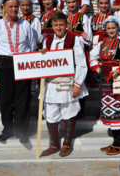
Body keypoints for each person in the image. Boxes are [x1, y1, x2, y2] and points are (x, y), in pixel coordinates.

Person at [0, 0, 36, 143]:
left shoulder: (26, 25)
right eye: (11, 6)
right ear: (4, 8)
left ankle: (21, 131)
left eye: (16, 6)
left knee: (23, 97)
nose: (14, 9)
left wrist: (27, 60)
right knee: (6, 98)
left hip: (22, 63)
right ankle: (7, 129)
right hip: (4, 63)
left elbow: (31, 45)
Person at [39, 11, 88, 157]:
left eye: (61, 24)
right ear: (52, 26)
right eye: (55, 25)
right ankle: (53, 144)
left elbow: (81, 64)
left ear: (67, 25)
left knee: (69, 111)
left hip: (68, 83)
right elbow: (43, 61)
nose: (59, 27)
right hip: (51, 84)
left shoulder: (75, 39)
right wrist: (41, 54)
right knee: (50, 114)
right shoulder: (47, 40)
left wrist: (77, 84)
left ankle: (67, 144)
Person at [90, 16, 120, 155]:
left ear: (118, 29)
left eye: (113, 28)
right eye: (108, 28)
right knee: (110, 108)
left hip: (118, 78)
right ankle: (115, 142)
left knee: (119, 109)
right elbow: (92, 56)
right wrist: (97, 67)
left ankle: (119, 145)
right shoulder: (102, 43)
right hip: (105, 80)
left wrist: (119, 71)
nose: (111, 30)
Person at [64, 0, 93, 118]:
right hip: (65, 53)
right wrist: (78, 34)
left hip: (79, 51)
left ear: (78, 3)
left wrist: (78, 37)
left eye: (73, 2)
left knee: (79, 78)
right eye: (69, 2)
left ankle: (81, 109)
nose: (71, 4)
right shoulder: (63, 17)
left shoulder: (83, 17)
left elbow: (89, 37)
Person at [19, 0, 41, 94]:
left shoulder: (35, 20)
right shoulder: (18, 19)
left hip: (30, 50)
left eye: (28, 5)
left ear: (31, 6)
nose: (25, 7)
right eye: (23, 5)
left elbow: (38, 37)